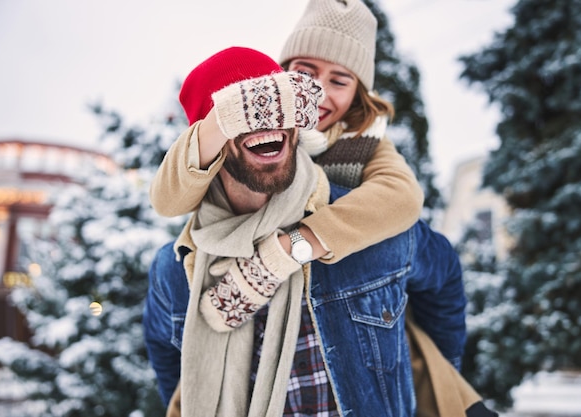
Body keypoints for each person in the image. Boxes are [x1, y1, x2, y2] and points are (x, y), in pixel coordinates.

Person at [145, 1, 498, 416]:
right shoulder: (178, 267)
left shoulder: (364, 158)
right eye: (306, 75)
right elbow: (168, 199)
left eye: (340, 80)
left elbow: (404, 203)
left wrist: (288, 250)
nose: (321, 92)